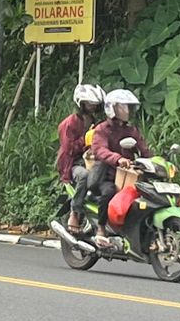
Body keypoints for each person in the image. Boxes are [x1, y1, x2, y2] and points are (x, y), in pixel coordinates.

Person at [85, 88, 151, 248]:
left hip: (128, 176)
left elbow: (144, 149)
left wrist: (156, 161)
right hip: (107, 175)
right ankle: (101, 228)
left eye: (128, 107)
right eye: (122, 107)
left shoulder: (131, 130)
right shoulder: (101, 130)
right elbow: (100, 150)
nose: (126, 110)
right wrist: (118, 159)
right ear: (111, 108)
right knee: (108, 193)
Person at [60, 84, 107, 236]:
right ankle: (75, 212)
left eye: (95, 104)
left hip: (92, 160)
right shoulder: (70, 123)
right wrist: (86, 140)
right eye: (89, 103)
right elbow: (69, 149)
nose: (93, 106)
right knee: (84, 176)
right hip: (73, 164)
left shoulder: (95, 121)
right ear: (81, 103)